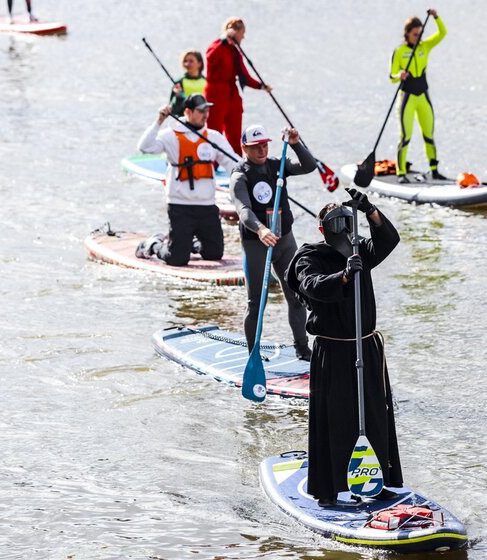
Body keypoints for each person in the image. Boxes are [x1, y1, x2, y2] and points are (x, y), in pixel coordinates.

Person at [285, 189, 402, 507]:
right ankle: (329, 488)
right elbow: (313, 286)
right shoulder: (309, 256)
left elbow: (389, 240)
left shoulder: (360, 249)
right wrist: (345, 276)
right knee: (335, 419)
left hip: (367, 347)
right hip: (333, 352)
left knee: (375, 415)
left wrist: (370, 210)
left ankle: (377, 484)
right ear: (321, 229)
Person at [230, 125, 315, 360]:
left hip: (285, 240)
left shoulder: (277, 165)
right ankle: (253, 353)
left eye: (265, 145)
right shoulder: (240, 175)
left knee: (297, 295)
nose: (262, 150)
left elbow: (309, 166)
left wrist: (296, 143)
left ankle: (302, 348)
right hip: (257, 243)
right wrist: (260, 229)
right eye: (256, 146)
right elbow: (243, 210)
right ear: (244, 147)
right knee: (256, 303)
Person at [135, 93, 238, 265]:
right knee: (177, 259)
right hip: (180, 207)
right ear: (188, 112)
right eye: (201, 111)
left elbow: (233, 164)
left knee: (214, 254)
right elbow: (144, 147)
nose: (205, 115)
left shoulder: (213, 137)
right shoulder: (171, 135)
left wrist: (258, 173)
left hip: (207, 207)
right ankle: (153, 244)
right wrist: (159, 120)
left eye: (207, 110)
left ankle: (189, 243)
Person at [389, 8, 447, 183]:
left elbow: (442, 33)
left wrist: (436, 17)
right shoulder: (399, 52)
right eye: (415, 34)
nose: (418, 37)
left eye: (420, 33)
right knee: (405, 137)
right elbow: (391, 76)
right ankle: (401, 173)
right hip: (407, 99)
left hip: (423, 97)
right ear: (407, 34)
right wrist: (399, 75)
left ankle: (434, 170)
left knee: (429, 135)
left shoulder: (425, 46)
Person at [204, 17, 272, 156]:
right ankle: (211, 162)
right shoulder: (217, 45)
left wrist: (260, 86)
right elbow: (210, 58)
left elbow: (244, 75)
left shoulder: (235, 51)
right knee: (214, 131)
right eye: (242, 33)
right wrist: (224, 40)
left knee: (235, 134)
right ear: (235, 32)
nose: (243, 37)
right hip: (216, 93)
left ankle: (236, 162)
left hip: (232, 94)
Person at [169, 50, 207, 117]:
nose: (187, 64)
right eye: (185, 61)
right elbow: (173, 111)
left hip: (203, 120)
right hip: (185, 121)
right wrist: (178, 97)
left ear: (199, 63)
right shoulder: (179, 83)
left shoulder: (207, 82)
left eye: (191, 61)